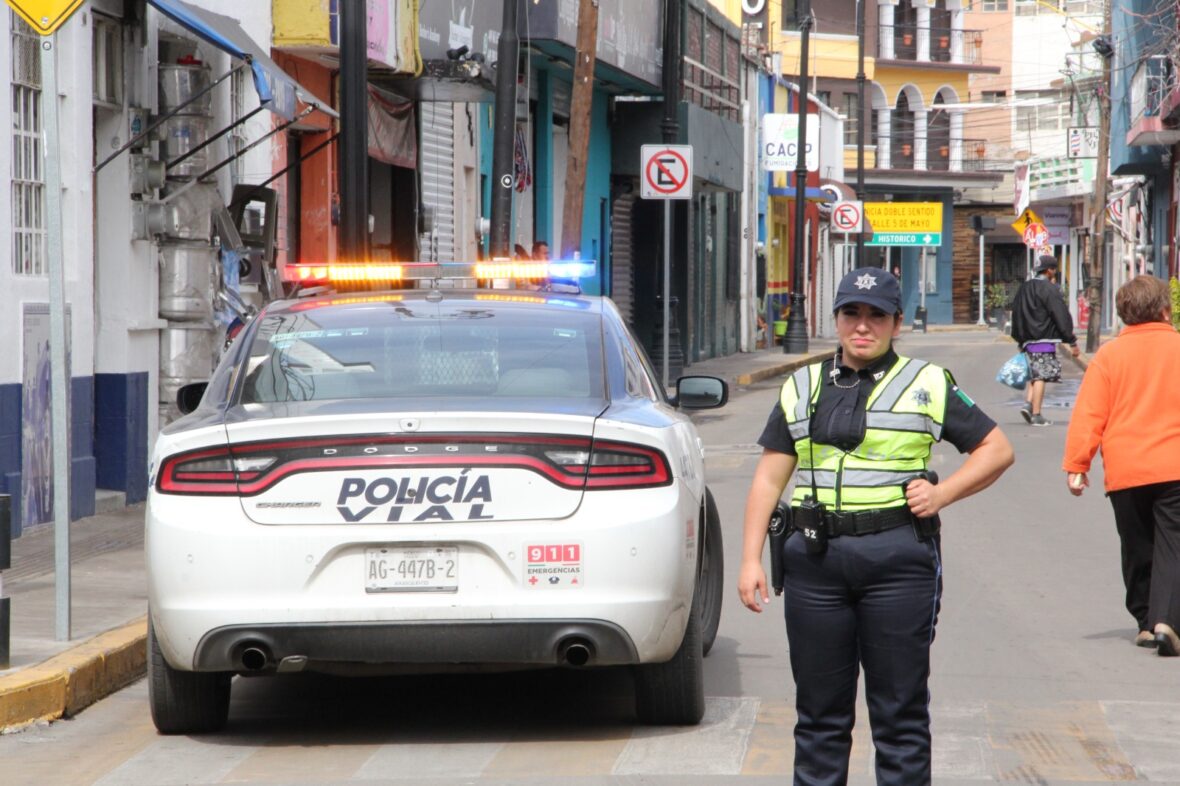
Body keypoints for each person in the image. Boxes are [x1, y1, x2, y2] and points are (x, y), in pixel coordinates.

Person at [738, 267, 1014, 785]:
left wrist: (943, 493)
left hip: (897, 563)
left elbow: (997, 450)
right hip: (815, 567)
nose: (862, 327)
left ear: (896, 323)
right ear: (837, 318)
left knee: (900, 715)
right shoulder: (802, 385)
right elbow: (768, 480)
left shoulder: (927, 382)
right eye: (851, 314)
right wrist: (751, 558)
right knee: (819, 716)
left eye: (876, 316)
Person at [1062, 274, 1180, 656]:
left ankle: (1146, 621)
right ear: (1165, 309)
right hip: (1174, 466)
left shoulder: (1109, 356)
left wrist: (1078, 464)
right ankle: (1167, 620)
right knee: (1173, 545)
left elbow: (1090, 414)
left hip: (1126, 469)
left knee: (1137, 545)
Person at [1010, 254, 1080, 426]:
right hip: (1044, 338)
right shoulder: (1050, 289)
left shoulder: (1024, 288)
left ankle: (1028, 404)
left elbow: (1016, 313)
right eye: (1054, 270)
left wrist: (1020, 338)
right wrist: (1070, 340)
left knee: (1035, 374)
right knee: (1041, 375)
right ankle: (1037, 414)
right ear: (1050, 270)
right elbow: (1060, 314)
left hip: (1027, 339)